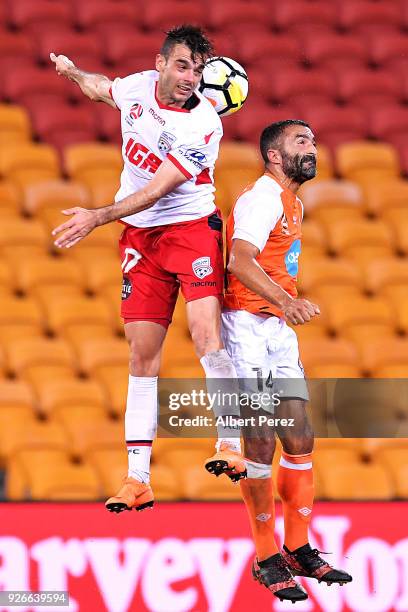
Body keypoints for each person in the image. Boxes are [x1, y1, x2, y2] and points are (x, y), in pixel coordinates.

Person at [50, 24, 246, 514]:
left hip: (190, 228)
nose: (191, 78)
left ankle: (230, 441)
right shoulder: (137, 86)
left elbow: (158, 190)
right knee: (142, 356)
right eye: (183, 66)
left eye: (199, 70)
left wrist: (97, 215)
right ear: (160, 63)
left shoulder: (203, 123)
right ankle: (138, 478)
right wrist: (74, 73)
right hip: (140, 238)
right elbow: (102, 89)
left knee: (206, 335)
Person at [222, 120, 352, 602]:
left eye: (314, 141)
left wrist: (282, 305)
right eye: (302, 142)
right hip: (247, 326)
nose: (312, 149)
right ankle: (265, 554)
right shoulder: (262, 197)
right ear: (274, 156)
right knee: (258, 442)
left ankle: (298, 547)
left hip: (274, 327)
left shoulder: (292, 201)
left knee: (300, 435)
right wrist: (286, 299)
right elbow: (239, 258)